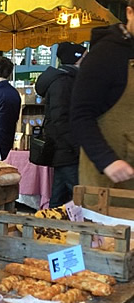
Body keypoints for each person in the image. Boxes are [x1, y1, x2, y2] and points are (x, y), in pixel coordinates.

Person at [70, 0, 134, 188]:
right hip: (109, 182)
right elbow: (80, 115)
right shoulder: (105, 53)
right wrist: (106, 160)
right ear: (129, 13)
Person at [35, 43, 87, 206]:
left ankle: (49, 226)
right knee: (82, 199)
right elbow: (60, 119)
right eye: (85, 56)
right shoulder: (63, 83)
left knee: (59, 196)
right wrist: (76, 145)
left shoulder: (67, 80)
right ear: (77, 59)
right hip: (67, 150)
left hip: (64, 150)